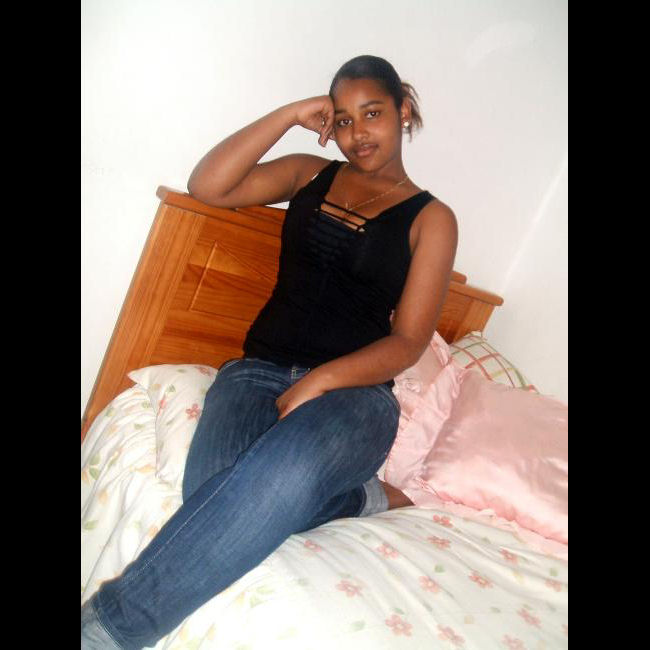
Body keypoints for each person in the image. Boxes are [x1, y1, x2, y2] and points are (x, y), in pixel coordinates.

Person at [81, 54, 457, 649]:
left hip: (356, 399)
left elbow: (408, 342)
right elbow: (209, 186)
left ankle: (109, 629)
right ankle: (356, 498)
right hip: (256, 373)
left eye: (373, 113)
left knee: (267, 483)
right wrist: (288, 115)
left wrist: (319, 382)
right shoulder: (310, 174)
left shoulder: (432, 218)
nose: (358, 132)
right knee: (214, 489)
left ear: (403, 110)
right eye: (344, 119)